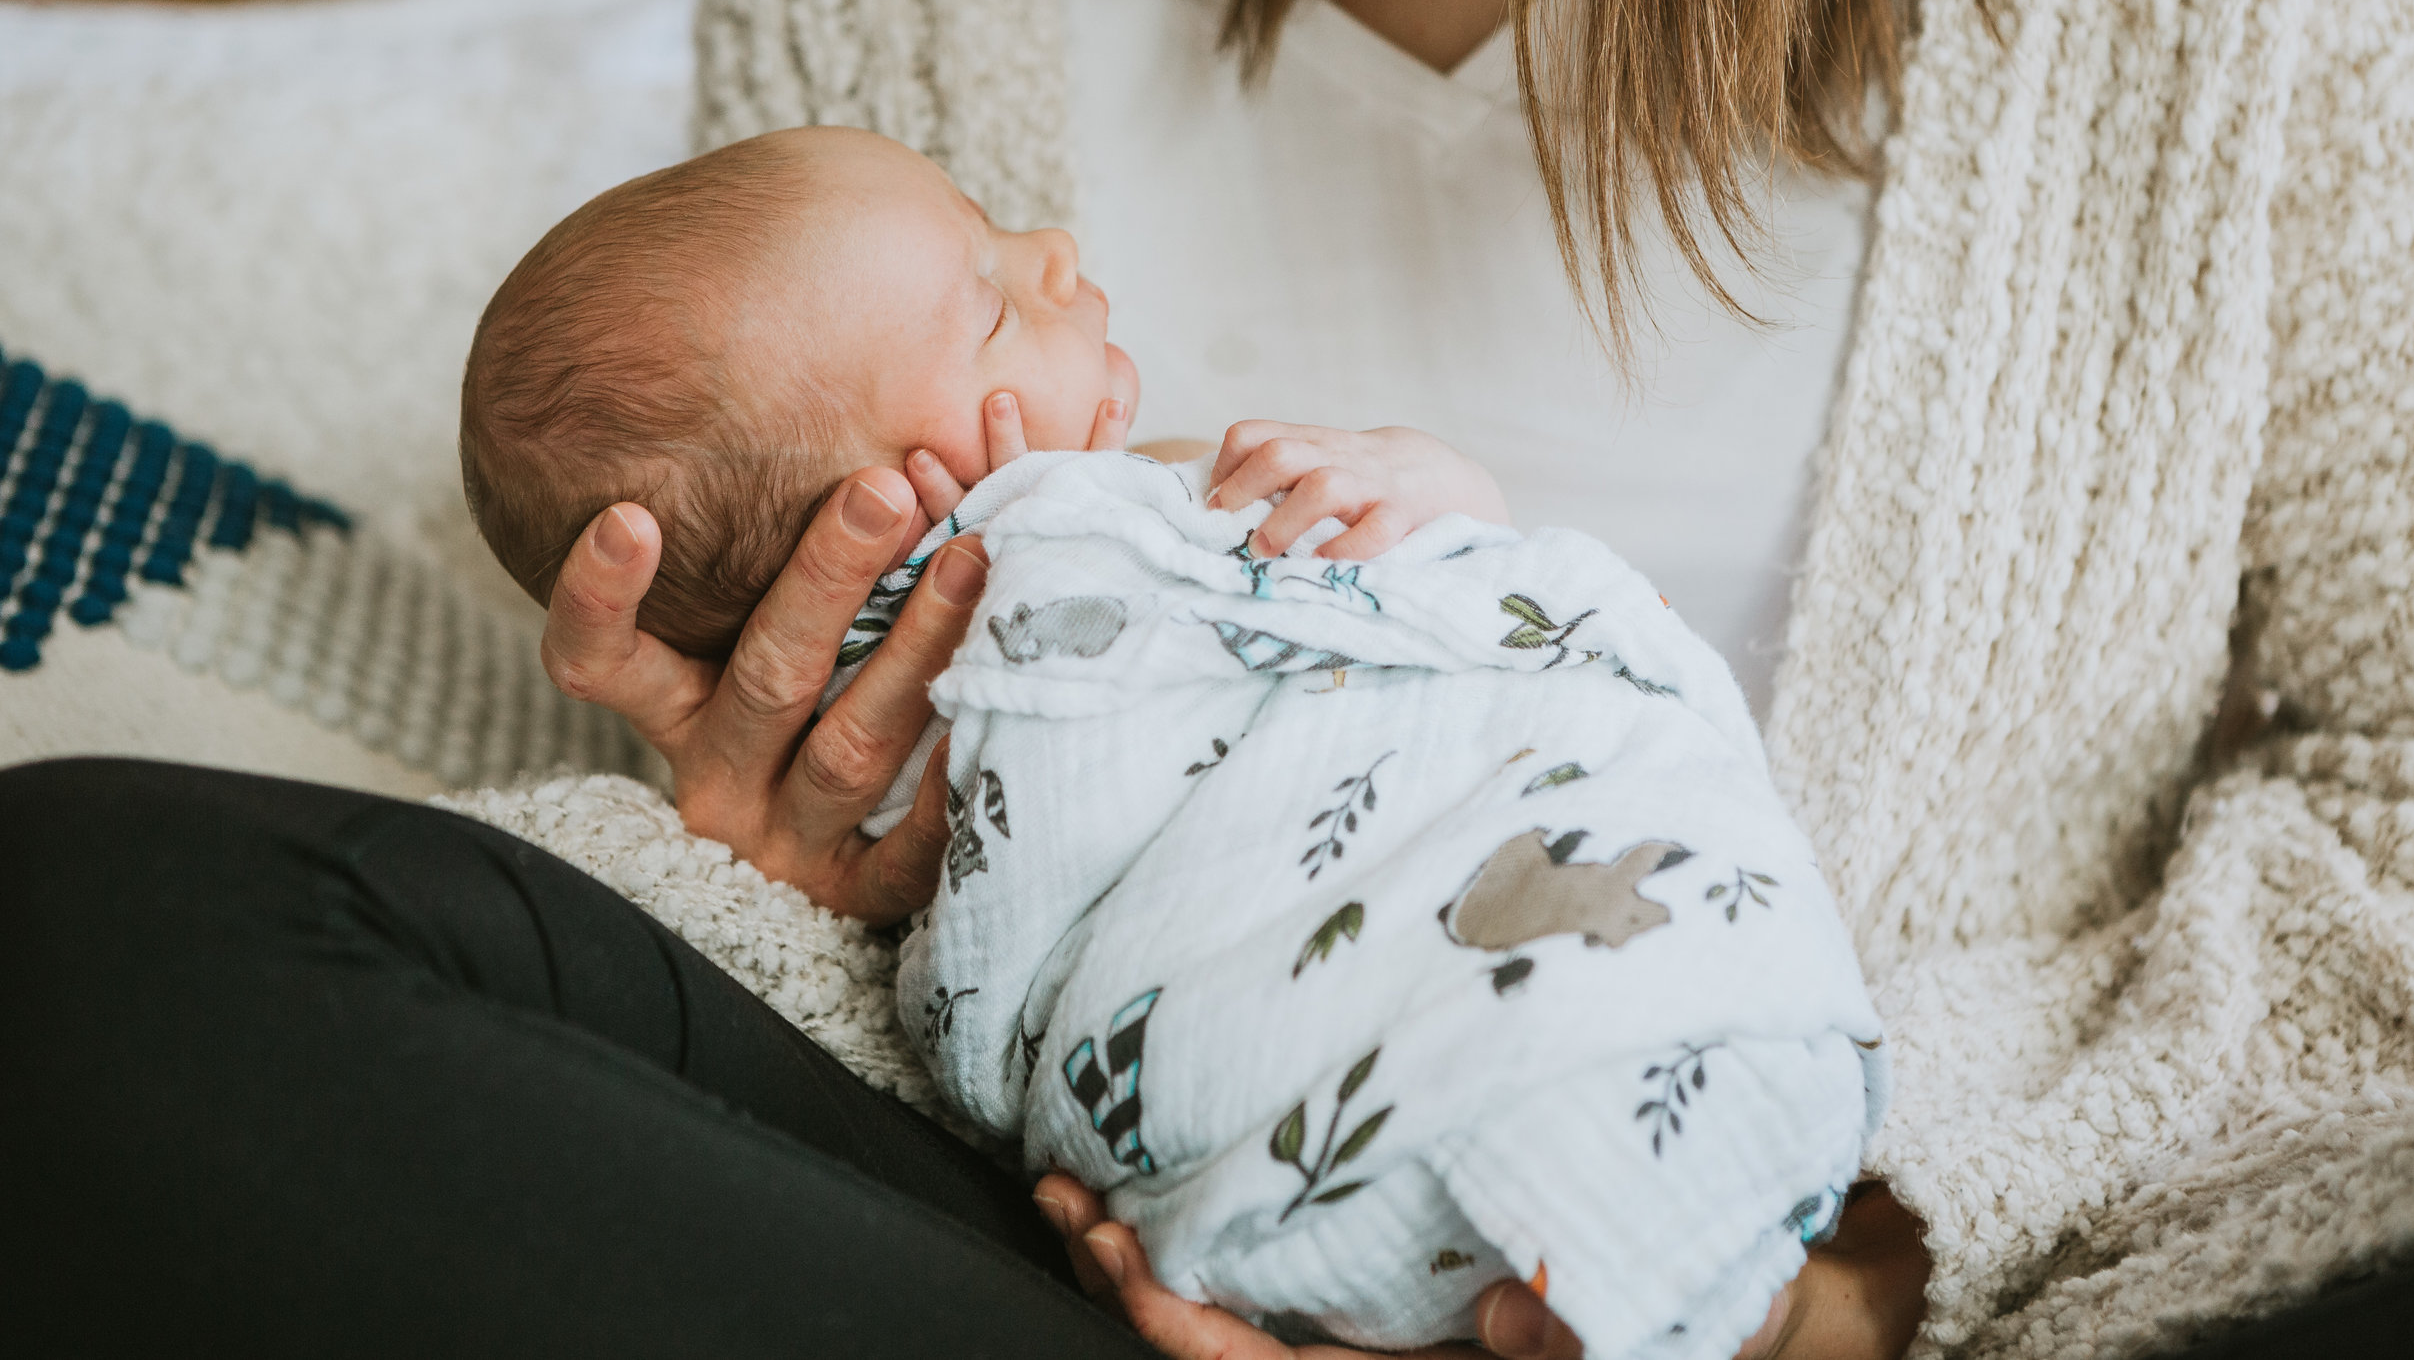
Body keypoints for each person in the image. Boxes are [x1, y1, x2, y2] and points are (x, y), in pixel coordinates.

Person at [0, 0, 2414, 1356]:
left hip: (1894, 1261)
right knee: (61, 932)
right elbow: (810, 962)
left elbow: (2399, 843)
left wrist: (1787, 1257)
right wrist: (785, 863)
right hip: (1095, 1241)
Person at [455, 119, 1889, 1351]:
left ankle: (1725, 1293)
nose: (1056, 251)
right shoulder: (998, 627)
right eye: (990, 299)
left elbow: (1428, 634)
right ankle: (1691, 1271)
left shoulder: (1160, 519)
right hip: (1368, 1069)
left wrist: (1414, 487)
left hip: (1378, 1146)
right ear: (899, 501)